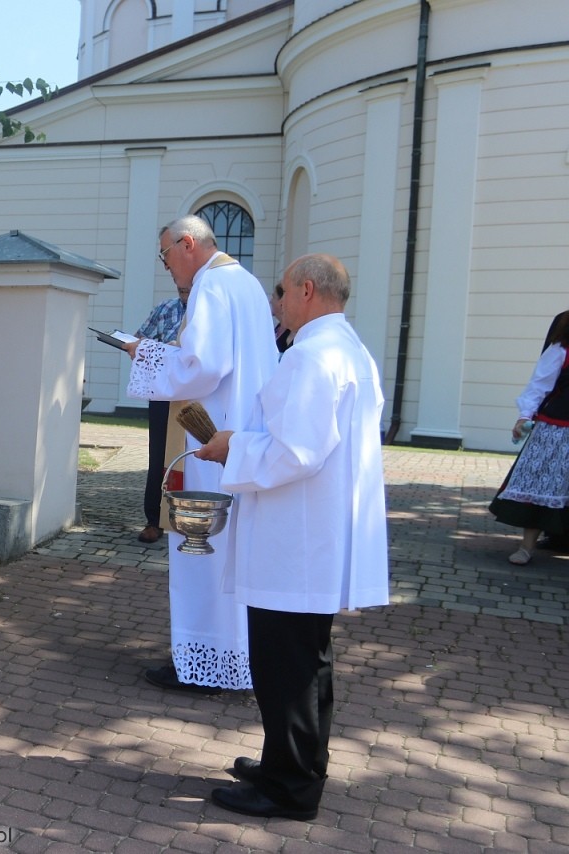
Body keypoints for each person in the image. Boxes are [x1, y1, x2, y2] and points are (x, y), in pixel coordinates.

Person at [195, 253, 389, 820]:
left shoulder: (313, 357)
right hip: (313, 534)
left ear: (307, 290)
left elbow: (295, 452)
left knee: (287, 667)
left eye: (280, 290)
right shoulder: (347, 350)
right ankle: (292, 762)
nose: (275, 301)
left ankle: (290, 787)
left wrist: (233, 445)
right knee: (305, 663)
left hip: (295, 540)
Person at [124, 215, 278, 694]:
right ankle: (234, 655)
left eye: (166, 255)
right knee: (231, 551)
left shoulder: (211, 286)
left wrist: (144, 353)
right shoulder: (247, 283)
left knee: (200, 547)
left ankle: (201, 661)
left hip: (209, 439)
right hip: (242, 435)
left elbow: (203, 366)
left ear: (187, 244)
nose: (167, 267)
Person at [489, 309, 569, 565]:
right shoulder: (560, 350)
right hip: (557, 428)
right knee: (539, 483)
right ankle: (526, 548)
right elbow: (539, 385)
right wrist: (525, 416)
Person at [133, 286, 188, 544]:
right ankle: (154, 520)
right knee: (159, 456)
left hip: (199, 397)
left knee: (195, 457)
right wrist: (158, 350)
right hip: (163, 395)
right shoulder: (165, 308)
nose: (183, 286)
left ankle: (190, 517)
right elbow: (138, 339)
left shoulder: (210, 310)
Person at [270, 281, 292, 353]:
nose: (270, 301)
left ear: (282, 302)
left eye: (273, 297)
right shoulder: (278, 327)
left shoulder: (291, 331)